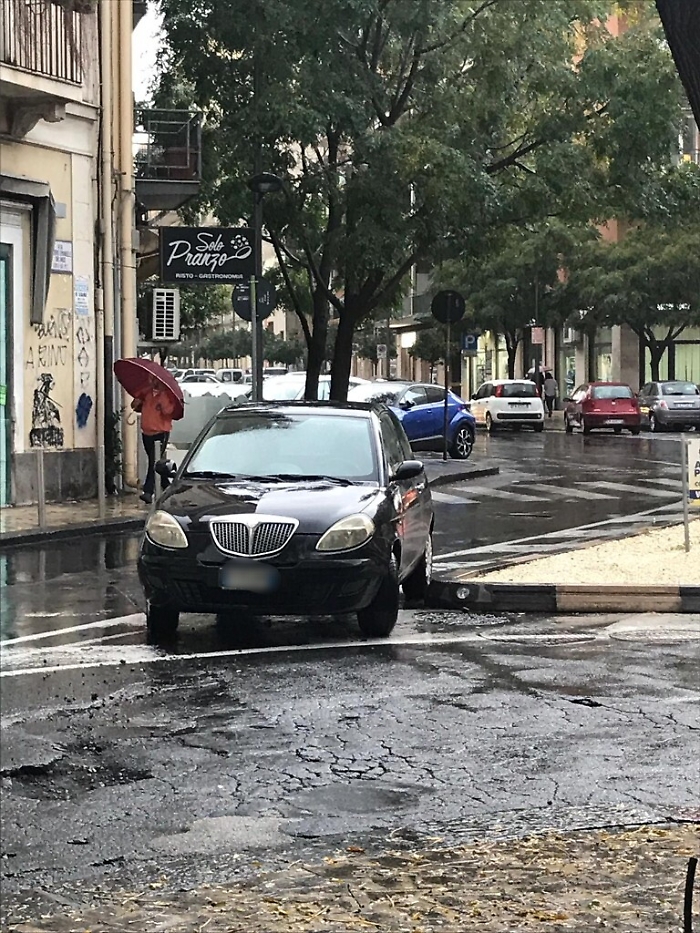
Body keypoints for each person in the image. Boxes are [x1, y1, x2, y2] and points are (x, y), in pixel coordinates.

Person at [131, 374, 176, 503]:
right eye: (152, 379)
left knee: (154, 461)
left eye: (157, 380)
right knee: (156, 462)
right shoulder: (146, 393)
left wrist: (162, 400)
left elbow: (169, 411)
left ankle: (148, 491)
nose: (154, 382)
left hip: (160, 432)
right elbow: (135, 406)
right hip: (147, 433)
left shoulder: (167, 395)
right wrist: (138, 401)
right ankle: (168, 487)